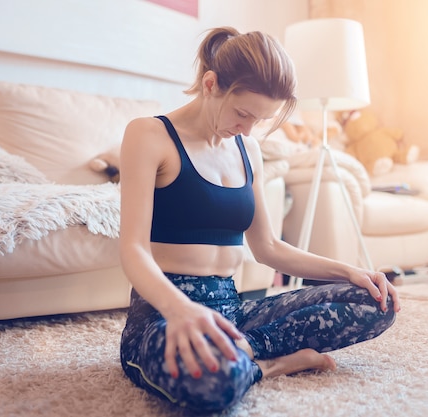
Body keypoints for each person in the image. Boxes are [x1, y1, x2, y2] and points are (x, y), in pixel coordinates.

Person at [119, 26, 401, 413]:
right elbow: (133, 250)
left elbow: (267, 248)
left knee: (376, 302)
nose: (248, 129)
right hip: (162, 318)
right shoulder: (149, 135)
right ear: (211, 84)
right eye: (242, 113)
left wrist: (350, 271)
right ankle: (273, 365)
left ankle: (242, 349)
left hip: (233, 312)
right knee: (213, 383)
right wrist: (179, 309)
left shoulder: (247, 148)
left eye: (260, 120)